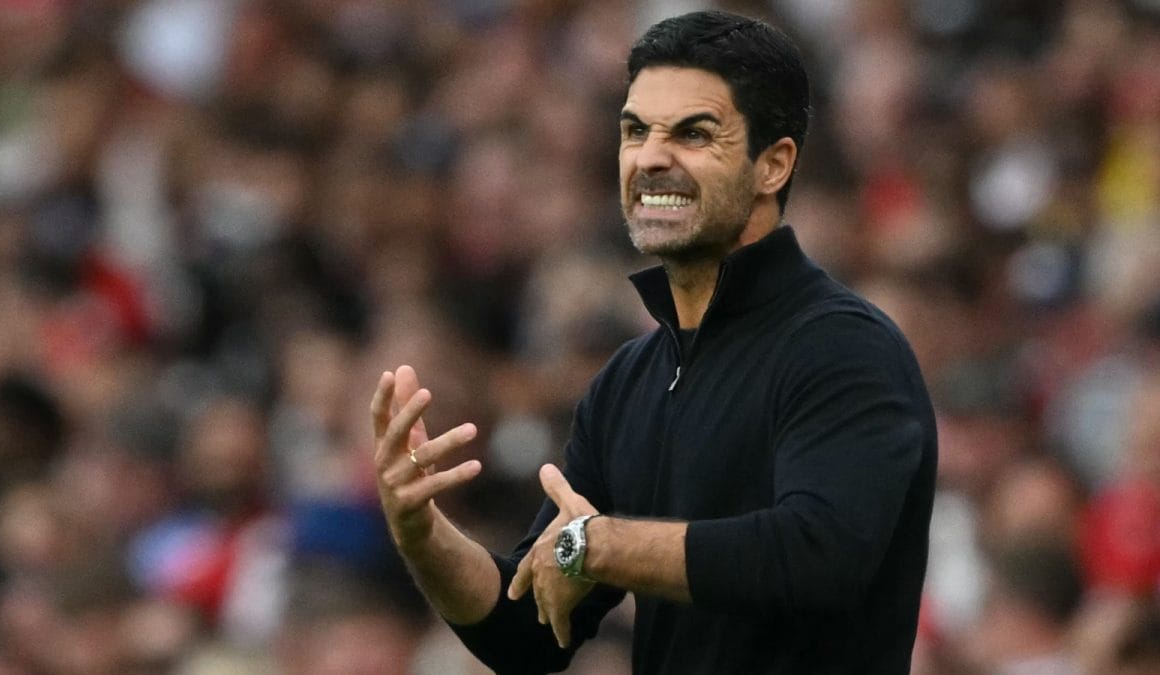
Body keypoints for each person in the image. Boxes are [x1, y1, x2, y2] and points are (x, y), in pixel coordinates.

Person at [370, 10, 937, 674]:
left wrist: (599, 545)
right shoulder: (628, 382)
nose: (651, 157)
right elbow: (527, 630)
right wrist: (423, 533)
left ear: (772, 165)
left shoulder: (843, 347)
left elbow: (820, 554)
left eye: (693, 133)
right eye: (635, 130)